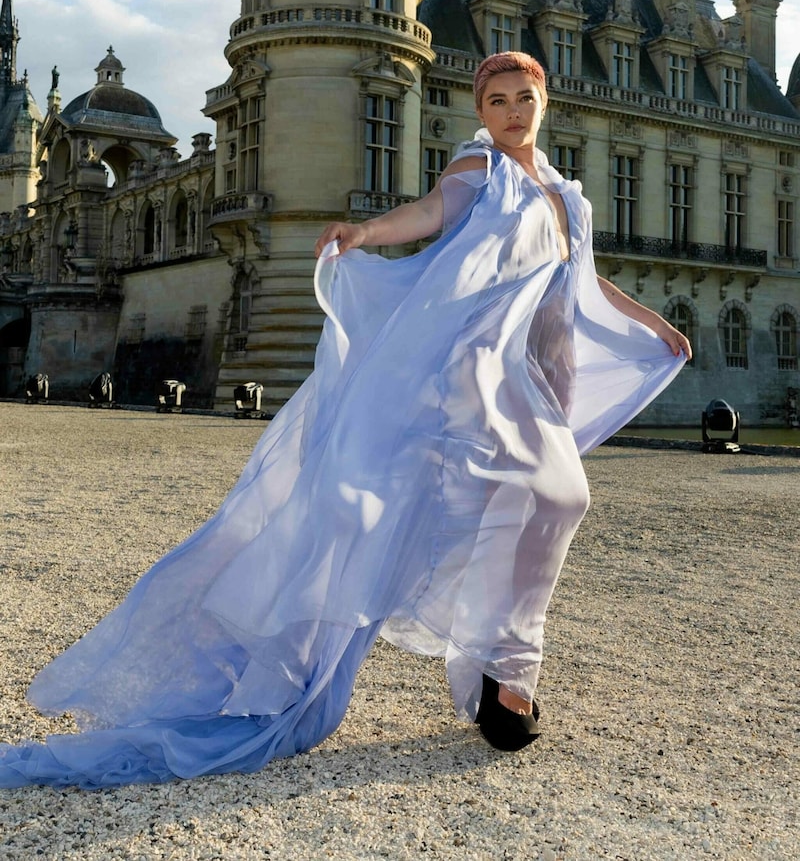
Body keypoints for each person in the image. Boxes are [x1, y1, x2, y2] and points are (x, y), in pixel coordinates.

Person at [0, 52, 689, 789]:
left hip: (530, 371)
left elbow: (583, 278)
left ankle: (496, 664)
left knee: (559, 496)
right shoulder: (479, 170)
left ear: (543, 102)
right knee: (520, 497)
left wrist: (657, 327)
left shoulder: (568, 198)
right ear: (480, 113)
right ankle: (503, 672)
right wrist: (366, 234)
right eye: (497, 101)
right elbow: (429, 213)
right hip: (470, 366)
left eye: (524, 97)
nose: (513, 111)